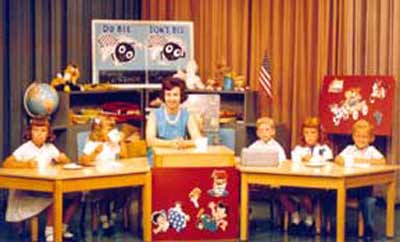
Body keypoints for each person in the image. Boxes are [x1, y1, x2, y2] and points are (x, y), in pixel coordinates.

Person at [3, 118, 79, 242]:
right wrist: (25, 164)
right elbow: (7, 163)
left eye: (43, 131)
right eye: (35, 130)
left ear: (48, 134)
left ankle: (62, 228)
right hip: (28, 192)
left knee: (75, 195)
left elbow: (65, 162)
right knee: (55, 198)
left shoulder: (49, 148)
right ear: (30, 132)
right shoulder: (25, 148)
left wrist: (64, 159)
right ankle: (50, 232)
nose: (39, 133)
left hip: (45, 188)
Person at [280, 116, 333, 235]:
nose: (309, 136)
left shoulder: (325, 149)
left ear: (319, 134)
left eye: (313, 133)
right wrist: (302, 160)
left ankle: (310, 219)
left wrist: (313, 159)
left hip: (317, 185)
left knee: (305, 196)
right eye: (306, 133)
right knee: (282, 194)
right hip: (298, 182)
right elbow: (293, 164)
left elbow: (329, 166)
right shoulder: (299, 149)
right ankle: (295, 217)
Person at [79, 115, 129, 236]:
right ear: (98, 130)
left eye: (111, 130)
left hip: (112, 177)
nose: (110, 132)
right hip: (96, 180)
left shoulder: (111, 144)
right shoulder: (92, 144)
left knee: (125, 189)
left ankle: (113, 213)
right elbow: (83, 160)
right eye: (107, 129)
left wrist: (121, 141)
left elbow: (124, 155)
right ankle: (104, 219)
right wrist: (95, 153)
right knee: (104, 191)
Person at [335, 119, 385, 240]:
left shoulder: (371, 151)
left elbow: (382, 161)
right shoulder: (349, 149)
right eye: (358, 136)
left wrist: (361, 161)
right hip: (348, 187)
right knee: (332, 194)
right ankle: (341, 225)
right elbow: (338, 159)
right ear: (353, 136)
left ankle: (368, 228)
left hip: (364, 187)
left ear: (370, 138)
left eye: (364, 137)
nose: (361, 139)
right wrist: (344, 161)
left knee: (369, 201)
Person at [146, 77, 201, 149]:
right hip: (157, 157)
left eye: (175, 95)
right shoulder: (154, 114)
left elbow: (199, 141)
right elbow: (150, 141)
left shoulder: (188, 115)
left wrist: (184, 143)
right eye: (168, 95)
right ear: (164, 96)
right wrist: (171, 143)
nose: (171, 99)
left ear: (181, 96)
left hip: (179, 156)